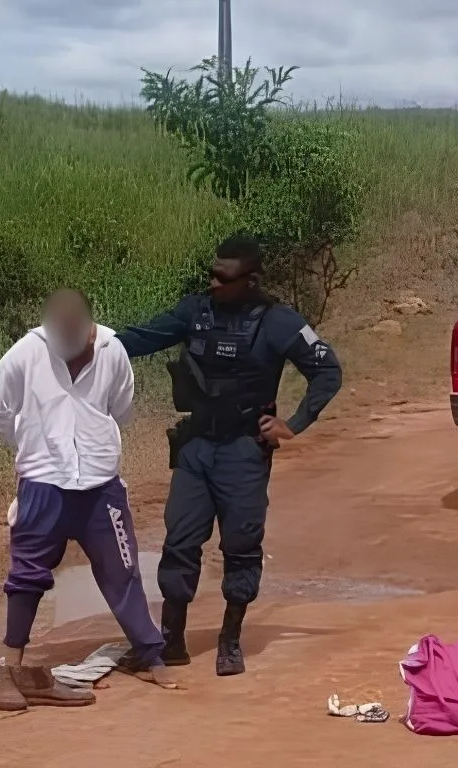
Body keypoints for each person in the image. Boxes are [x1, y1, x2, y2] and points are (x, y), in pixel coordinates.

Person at [114, 233, 343, 676]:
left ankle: (230, 640)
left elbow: (327, 370)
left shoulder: (278, 322)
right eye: (211, 274)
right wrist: (87, 343)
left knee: (240, 544)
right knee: (179, 542)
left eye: (225, 277)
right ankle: (172, 641)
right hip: (196, 447)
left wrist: (292, 425)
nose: (214, 283)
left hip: (243, 450)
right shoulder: (193, 311)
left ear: (251, 281)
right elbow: (138, 339)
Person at [0, 288, 176, 701]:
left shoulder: (113, 352)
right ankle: (10, 671)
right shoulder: (26, 353)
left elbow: (120, 408)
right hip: (43, 484)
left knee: (122, 571)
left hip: (100, 486)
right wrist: (28, 444)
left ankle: (151, 656)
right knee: (26, 577)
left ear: (90, 327)